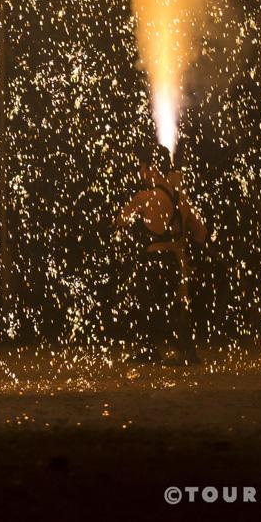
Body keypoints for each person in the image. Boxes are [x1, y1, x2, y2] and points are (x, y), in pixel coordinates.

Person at [113, 143, 207, 365]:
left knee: (143, 305)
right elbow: (201, 232)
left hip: (154, 262)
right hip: (175, 261)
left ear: (149, 168)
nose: (140, 173)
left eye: (141, 168)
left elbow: (119, 222)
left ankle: (153, 350)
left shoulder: (145, 197)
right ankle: (185, 350)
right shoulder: (181, 199)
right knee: (171, 307)